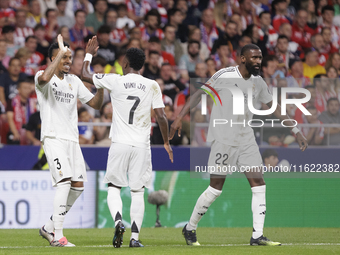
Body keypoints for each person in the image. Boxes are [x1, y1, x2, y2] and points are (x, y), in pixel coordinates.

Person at [170, 44, 308, 246]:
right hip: (224, 138)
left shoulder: (258, 82)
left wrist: (295, 130)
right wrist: (179, 117)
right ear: (242, 58)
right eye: (254, 58)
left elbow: (274, 107)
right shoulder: (224, 75)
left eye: (260, 58)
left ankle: (257, 235)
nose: (258, 61)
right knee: (215, 189)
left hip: (246, 138)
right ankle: (189, 228)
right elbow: (199, 94)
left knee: (259, 184)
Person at [81, 45, 173, 248]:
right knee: (138, 191)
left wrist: (89, 54)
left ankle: (117, 221)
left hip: (119, 143)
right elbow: (161, 117)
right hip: (141, 145)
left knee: (114, 187)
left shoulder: (115, 79)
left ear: (125, 63)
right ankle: (135, 238)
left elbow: (84, 74)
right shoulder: (152, 85)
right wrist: (166, 142)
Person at [36, 34, 103, 247]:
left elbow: (95, 104)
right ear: (53, 58)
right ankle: (58, 236)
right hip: (53, 137)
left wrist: (100, 84)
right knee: (64, 183)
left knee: (78, 186)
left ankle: (48, 226)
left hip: (72, 140)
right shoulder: (43, 77)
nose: (68, 61)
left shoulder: (74, 81)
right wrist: (59, 54)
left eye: (70, 57)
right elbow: (45, 79)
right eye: (64, 57)